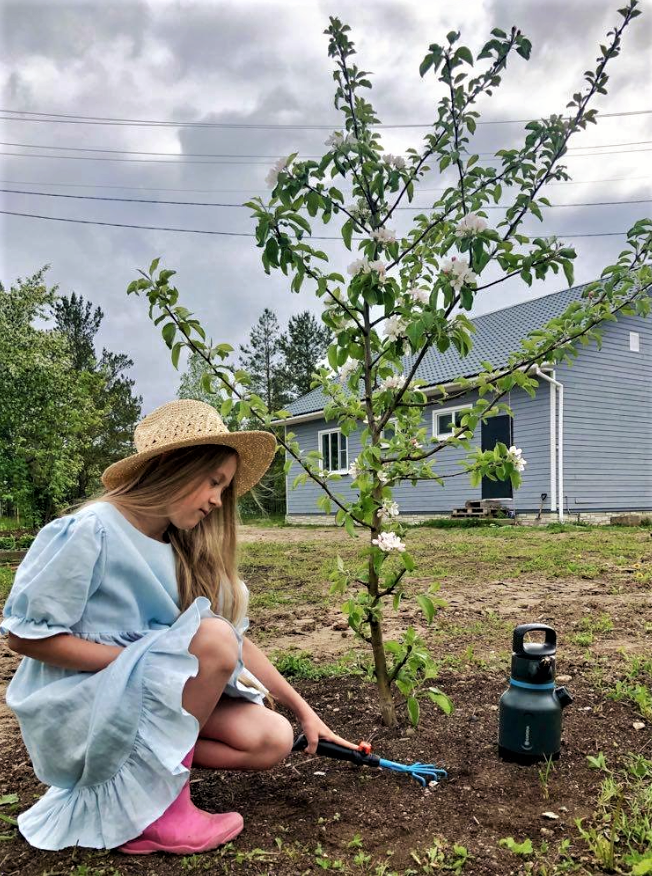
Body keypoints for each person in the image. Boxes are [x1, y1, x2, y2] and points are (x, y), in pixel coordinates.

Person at [1, 398, 357, 855]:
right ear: (174, 467)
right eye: (213, 482)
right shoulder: (92, 531)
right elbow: (26, 637)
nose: (217, 500)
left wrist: (305, 712)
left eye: (224, 489)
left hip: (131, 706)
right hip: (79, 707)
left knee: (272, 738)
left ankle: (130, 781)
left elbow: (236, 643)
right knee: (206, 642)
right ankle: (159, 812)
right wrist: (147, 662)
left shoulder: (182, 551)